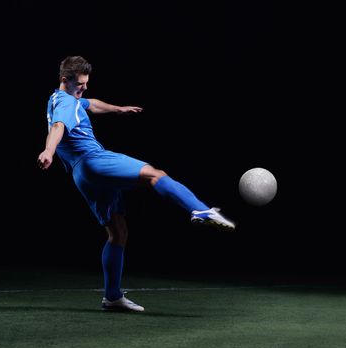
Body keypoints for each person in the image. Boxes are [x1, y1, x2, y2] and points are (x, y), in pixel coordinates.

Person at [37, 56, 235, 312]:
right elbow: (59, 126)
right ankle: (199, 209)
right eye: (81, 84)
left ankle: (112, 297)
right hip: (94, 160)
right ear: (65, 80)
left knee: (117, 232)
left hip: (82, 175)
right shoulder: (65, 102)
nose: (84, 88)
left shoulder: (59, 98)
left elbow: (91, 105)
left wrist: (118, 109)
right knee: (155, 174)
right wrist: (48, 151)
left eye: (86, 83)